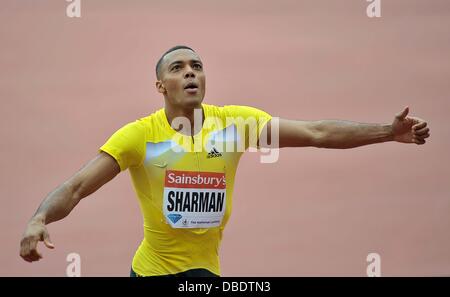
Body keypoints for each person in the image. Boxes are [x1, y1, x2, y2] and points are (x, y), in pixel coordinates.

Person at [19, 45, 430, 277]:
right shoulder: (139, 136)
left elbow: (317, 133)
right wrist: (41, 218)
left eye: (197, 66)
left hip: (206, 273)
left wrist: (386, 132)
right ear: (161, 85)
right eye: (178, 68)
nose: (191, 72)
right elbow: (76, 187)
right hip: (153, 272)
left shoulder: (235, 124)